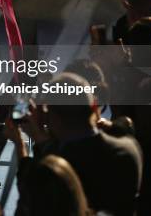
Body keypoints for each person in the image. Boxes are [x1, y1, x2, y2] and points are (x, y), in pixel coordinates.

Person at [12, 73, 142, 216]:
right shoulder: (130, 147)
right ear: (94, 106)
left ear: (53, 117)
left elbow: (32, 197)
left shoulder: (60, 165)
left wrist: (21, 143)